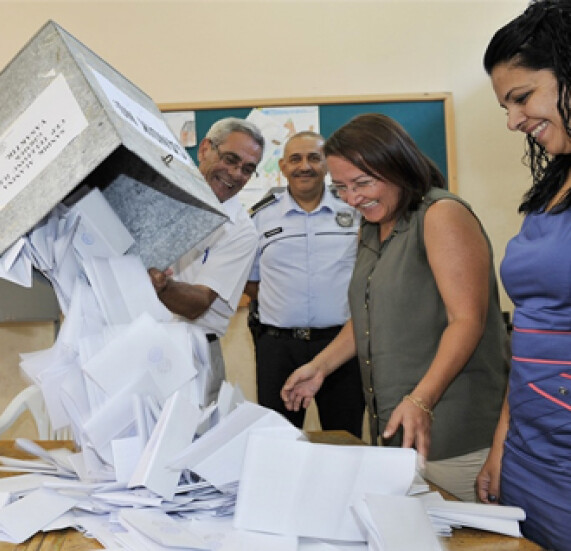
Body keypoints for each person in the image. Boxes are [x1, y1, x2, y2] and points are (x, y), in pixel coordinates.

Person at [280, 114, 509, 502]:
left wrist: (421, 399)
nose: (352, 199)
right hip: (396, 433)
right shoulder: (372, 224)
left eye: (362, 183)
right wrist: (319, 367)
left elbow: (467, 320)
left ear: (397, 165)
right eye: (341, 188)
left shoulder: (441, 214)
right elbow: (369, 316)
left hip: (453, 434)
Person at [478, 2, 571, 547]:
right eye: (505, 106)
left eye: (522, 97)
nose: (513, 120)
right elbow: (531, 332)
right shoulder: (554, 185)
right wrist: (501, 445)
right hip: (530, 450)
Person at [245, 131, 364, 436]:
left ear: (327, 164)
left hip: (340, 345)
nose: (304, 166)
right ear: (283, 166)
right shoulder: (260, 218)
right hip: (278, 347)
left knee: (344, 435)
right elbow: (251, 282)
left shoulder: (355, 211)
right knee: (279, 437)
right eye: (295, 159)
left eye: (314, 158)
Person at [148, 117, 260, 405]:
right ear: (204, 149)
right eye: (230, 159)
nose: (235, 174)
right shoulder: (158, 190)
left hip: (194, 353)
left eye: (247, 169)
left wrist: (160, 285)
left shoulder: (241, 230)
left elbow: (197, 304)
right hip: (133, 342)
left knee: (195, 429)